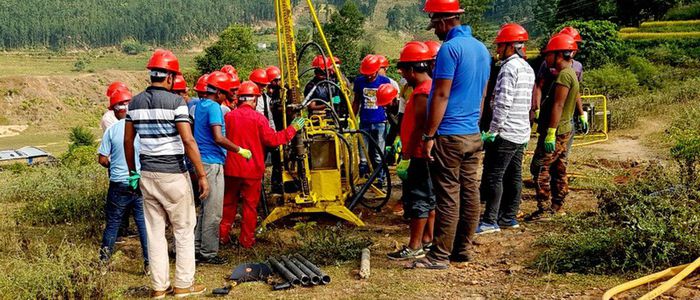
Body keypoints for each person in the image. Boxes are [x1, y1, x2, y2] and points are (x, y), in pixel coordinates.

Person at [411, 0, 490, 269]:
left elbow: (442, 94)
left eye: (434, 24)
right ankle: (463, 250)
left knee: (447, 196)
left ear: (444, 21)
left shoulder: (450, 49)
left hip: (448, 135)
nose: (434, 30)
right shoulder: (481, 49)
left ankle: (439, 255)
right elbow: (482, 95)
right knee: (471, 193)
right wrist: (473, 124)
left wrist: (429, 135)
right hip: (472, 133)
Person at [124, 49, 209, 298]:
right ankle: (183, 284)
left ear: (152, 75)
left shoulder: (134, 103)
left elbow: (128, 141)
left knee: (155, 232)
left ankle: (158, 288)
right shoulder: (176, 103)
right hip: (173, 174)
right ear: (170, 77)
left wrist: (133, 173)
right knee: (183, 229)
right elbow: (188, 140)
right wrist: (202, 175)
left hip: (147, 174)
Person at [219, 81, 306, 248]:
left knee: (228, 204)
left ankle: (222, 236)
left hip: (231, 168)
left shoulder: (228, 117)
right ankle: (246, 241)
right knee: (250, 206)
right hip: (252, 170)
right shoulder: (259, 119)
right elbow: (273, 140)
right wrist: (292, 129)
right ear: (255, 100)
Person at [476, 23, 535, 235]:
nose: (498, 51)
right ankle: (509, 217)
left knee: (494, 175)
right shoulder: (527, 68)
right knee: (514, 175)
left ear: (511, 46)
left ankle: (490, 220)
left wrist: (493, 130)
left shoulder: (509, 68)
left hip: (506, 131)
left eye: (501, 46)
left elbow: (503, 102)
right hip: (521, 132)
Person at [192, 71, 251, 265]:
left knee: (204, 208)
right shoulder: (215, 108)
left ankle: (197, 247)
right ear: (218, 93)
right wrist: (239, 149)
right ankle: (209, 253)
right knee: (214, 211)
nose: (228, 97)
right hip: (212, 162)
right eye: (226, 93)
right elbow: (218, 137)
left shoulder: (200, 105)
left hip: (202, 161)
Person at [386, 41, 436, 260]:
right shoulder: (427, 88)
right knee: (428, 197)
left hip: (418, 154)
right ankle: (427, 240)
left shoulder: (423, 92)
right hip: (419, 152)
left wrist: (406, 156)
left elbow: (420, 127)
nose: (404, 75)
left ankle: (415, 245)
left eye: (405, 71)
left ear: (414, 69)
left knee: (419, 199)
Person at [525, 34, 580, 221]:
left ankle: (545, 208)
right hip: (564, 129)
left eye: (548, 54)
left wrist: (550, 132)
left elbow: (558, 104)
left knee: (540, 167)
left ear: (558, 54)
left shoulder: (564, 75)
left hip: (557, 131)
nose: (546, 58)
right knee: (559, 167)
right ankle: (558, 205)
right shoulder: (571, 72)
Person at [97, 89, 149, 275]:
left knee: (112, 224)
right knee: (143, 224)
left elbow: (103, 159)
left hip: (118, 183)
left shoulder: (112, 130)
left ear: (115, 110)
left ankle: (103, 264)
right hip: (140, 182)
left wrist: (113, 164)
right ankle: (148, 264)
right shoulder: (142, 128)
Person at [531, 27, 588, 133]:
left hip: (566, 114)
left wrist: (581, 114)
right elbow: (539, 86)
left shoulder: (577, 67)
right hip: (549, 110)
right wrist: (537, 107)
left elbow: (576, 92)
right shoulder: (548, 63)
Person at [352, 54, 392, 187]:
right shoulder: (359, 82)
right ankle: (364, 179)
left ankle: (381, 178)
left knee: (378, 153)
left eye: (371, 73)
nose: (369, 76)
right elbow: (356, 100)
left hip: (380, 121)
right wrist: (352, 116)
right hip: (364, 121)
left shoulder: (385, 81)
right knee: (363, 154)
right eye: (366, 73)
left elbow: (390, 102)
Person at [377, 54, 403, 164]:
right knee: (388, 141)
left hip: (400, 123)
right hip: (392, 122)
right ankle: (390, 158)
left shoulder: (392, 84)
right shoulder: (389, 107)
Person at [266, 65, 285, 194]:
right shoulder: (264, 97)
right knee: (276, 160)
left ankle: (283, 184)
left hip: (282, 129)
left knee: (283, 159)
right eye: (274, 81)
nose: (277, 83)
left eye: (278, 80)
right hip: (271, 131)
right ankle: (275, 186)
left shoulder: (283, 91)